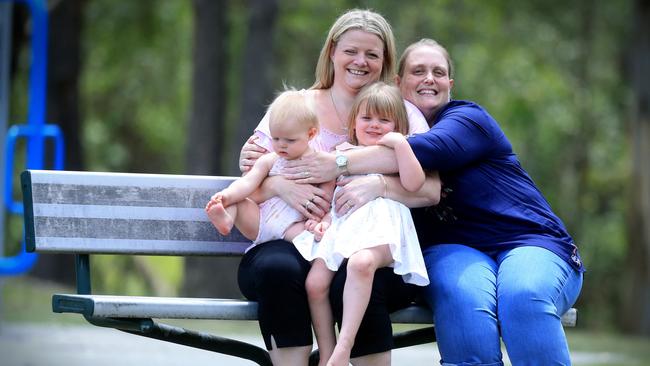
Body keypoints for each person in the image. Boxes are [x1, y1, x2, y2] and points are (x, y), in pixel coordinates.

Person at [283, 38, 585, 365]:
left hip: (528, 241)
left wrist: (340, 162)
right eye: (418, 71)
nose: (429, 78)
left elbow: (425, 149)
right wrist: (267, 162)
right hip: (452, 249)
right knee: (462, 298)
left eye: (438, 72)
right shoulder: (381, 131)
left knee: (522, 296)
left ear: (450, 85)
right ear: (398, 83)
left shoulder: (467, 120)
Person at [236, 9, 438, 366]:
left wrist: (377, 185)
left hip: (363, 246)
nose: (360, 61)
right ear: (332, 51)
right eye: (351, 51)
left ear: (385, 61)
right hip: (290, 239)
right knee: (279, 271)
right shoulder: (296, 106)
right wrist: (282, 186)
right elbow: (252, 175)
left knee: (359, 275)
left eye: (372, 54)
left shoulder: (402, 113)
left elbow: (429, 189)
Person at [293, 82, 431, 366]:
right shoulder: (342, 153)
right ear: (354, 123)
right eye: (367, 118)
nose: (375, 125)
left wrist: (400, 143)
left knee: (360, 264)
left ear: (398, 125)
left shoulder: (396, 153)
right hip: (345, 229)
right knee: (315, 283)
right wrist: (324, 221)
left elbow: (416, 183)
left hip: (384, 231)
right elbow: (333, 194)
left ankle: (345, 347)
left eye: (384, 119)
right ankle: (328, 355)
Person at [205, 90, 334, 247]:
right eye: (276, 138)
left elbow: (326, 195)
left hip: (294, 225)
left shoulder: (319, 162)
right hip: (261, 220)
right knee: (235, 197)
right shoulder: (270, 160)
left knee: (316, 241)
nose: (281, 145)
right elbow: (247, 183)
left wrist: (316, 219)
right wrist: (226, 196)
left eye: (290, 140)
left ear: (311, 134)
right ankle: (226, 220)